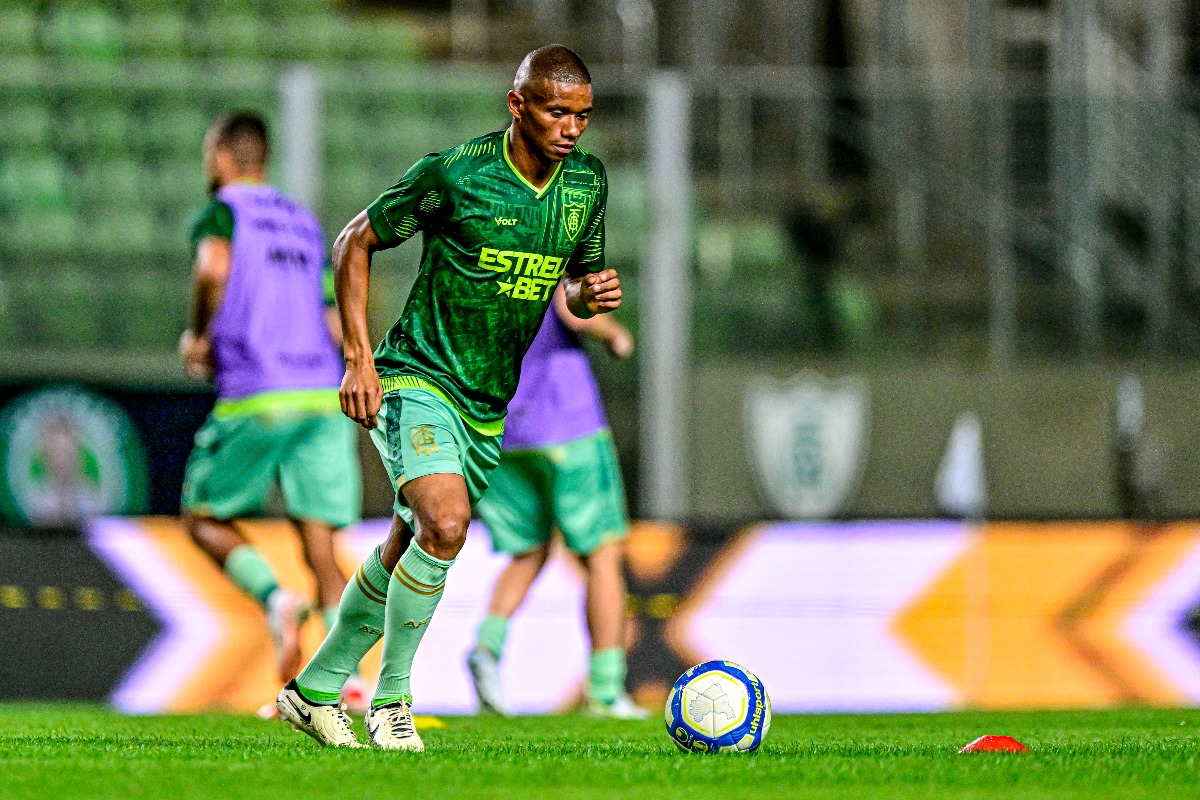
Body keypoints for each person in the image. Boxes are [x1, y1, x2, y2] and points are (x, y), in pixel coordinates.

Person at [275, 44, 622, 750]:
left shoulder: (586, 185)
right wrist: (358, 360)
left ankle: (311, 692)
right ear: (516, 104)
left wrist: (591, 295)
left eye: (582, 115)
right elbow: (354, 242)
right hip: (415, 378)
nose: (571, 128)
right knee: (447, 522)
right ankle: (391, 700)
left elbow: (574, 288)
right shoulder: (455, 173)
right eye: (557, 111)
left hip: (488, 403)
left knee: (413, 540)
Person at [179, 112, 364, 699]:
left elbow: (212, 267)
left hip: (259, 388)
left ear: (222, 157)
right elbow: (335, 317)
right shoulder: (304, 221)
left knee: (203, 517)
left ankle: (275, 599)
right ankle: (351, 682)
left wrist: (198, 335)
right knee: (321, 545)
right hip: (322, 394)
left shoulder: (223, 208)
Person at [466, 286, 647, 719]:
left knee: (528, 552)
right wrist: (615, 333)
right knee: (603, 554)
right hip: (567, 421)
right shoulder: (552, 227)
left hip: (502, 426)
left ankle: (487, 647)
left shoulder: (484, 243)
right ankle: (604, 691)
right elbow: (573, 307)